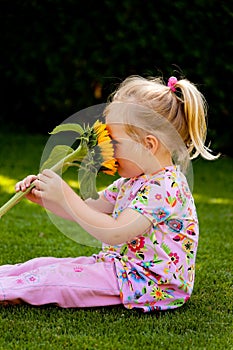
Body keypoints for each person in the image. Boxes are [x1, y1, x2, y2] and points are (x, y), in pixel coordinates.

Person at [0, 75, 218, 312]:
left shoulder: (164, 188)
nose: (107, 153)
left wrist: (66, 197)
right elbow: (89, 210)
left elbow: (115, 232)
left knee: (55, 280)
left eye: (114, 143)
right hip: (120, 269)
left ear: (148, 145)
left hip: (147, 282)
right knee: (40, 265)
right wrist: (45, 197)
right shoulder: (132, 181)